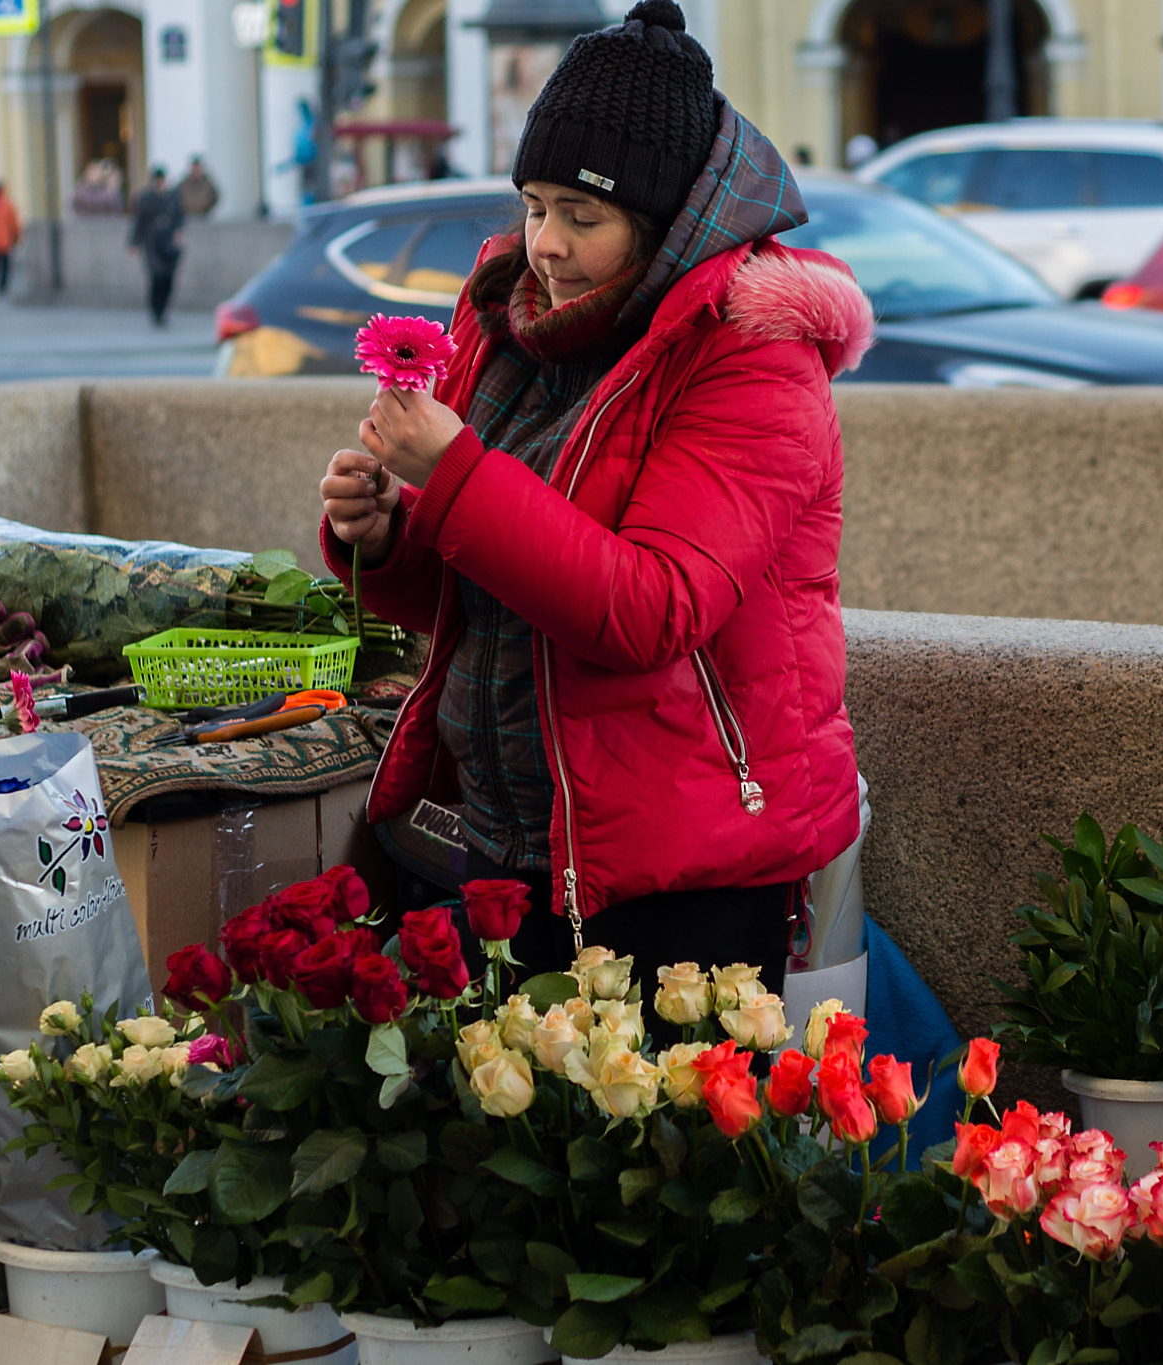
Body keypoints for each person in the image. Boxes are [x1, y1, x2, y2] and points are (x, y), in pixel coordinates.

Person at [317, 0, 868, 993]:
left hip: (678, 861)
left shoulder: (751, 356)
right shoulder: (505, 326)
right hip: (511, 835)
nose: (546, 247)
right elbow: (480, 595)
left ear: (663, 229)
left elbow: (647, 609)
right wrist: (389, 536)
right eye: (533, 206)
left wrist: (455, 475)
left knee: (657, 1140)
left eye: (584, 216)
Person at [127, 167, 184, 326]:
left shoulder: (172, 197)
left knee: (168, 278)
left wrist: (179, 232)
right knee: (156, 276)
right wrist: (133, 244)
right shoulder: (146, 198)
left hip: (169, 243)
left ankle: (164, 308)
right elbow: (139, 222)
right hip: (152, 243)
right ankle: (156, 311)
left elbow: (179, 216)